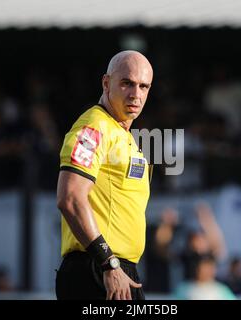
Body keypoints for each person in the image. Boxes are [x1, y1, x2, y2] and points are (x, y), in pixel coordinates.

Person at [55, 50, 153, 300]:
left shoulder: (121, 134)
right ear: (106, 83)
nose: (136, 94)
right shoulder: (93, 127)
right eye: (127, 83)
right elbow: (70, 198)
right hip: (99, 269)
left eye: (144, 86)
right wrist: (108, 262)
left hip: (114, 270)